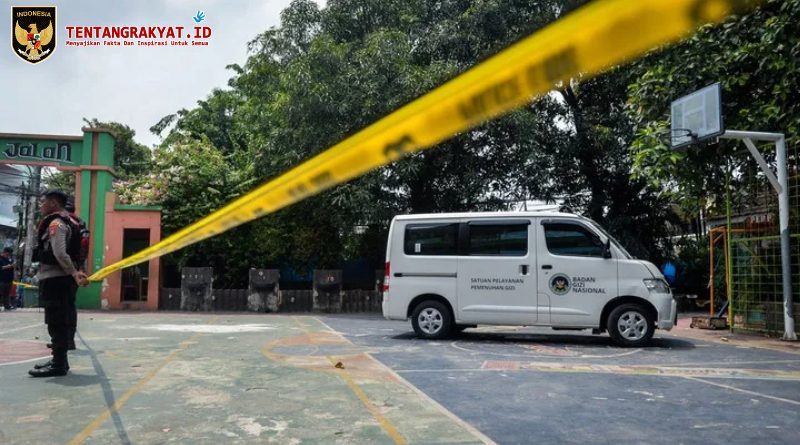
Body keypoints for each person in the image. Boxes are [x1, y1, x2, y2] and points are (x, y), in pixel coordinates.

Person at [28, 190, 88, 378]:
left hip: (56, 280)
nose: (41, 205)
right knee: (60, 319)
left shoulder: (56, 223)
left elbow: (60, 253)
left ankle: (58, 365)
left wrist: (73, 272)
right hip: (63, 279)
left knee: (56, 322)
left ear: (53, 203)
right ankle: (59, 360)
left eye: (43, 202)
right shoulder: (70, 222)